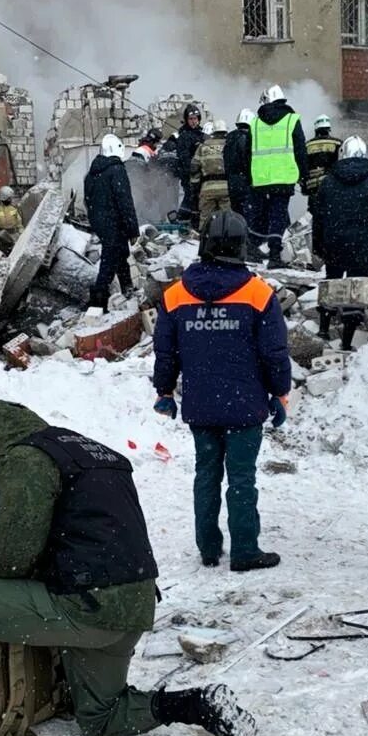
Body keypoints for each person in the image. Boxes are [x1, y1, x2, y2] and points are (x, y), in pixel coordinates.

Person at [0, 398, 257, 736]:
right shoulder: (96, 453)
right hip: (135, 604)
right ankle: (196, 704)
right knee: (102, 717)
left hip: (85, 604)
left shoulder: (25, 457)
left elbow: (15, 547)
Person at [152, 210, 291, 572]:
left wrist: (164, 391)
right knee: (242, 478)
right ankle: (245, 550)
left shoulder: (176, 295)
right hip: (245, 406)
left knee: (206, 475)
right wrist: (279, 392)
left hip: (202, 406)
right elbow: (273, 352)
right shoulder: (259, 293)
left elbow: (167, 352)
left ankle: (209, 548)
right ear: (242, 246)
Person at [311, 137, 368, 351]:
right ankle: (347, 341)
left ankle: (324, 328)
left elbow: (318, 216)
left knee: (332, 283)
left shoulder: (328, 181)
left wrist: (318, 245)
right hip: (361, 244)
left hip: (334, 242)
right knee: (355, 290)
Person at [247, 84, 308, 269]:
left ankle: (252, 250)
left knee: (258, 213)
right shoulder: (291, 119)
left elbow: (247, 153)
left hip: (260, 178)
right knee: (278, 215)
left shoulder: (255, 123)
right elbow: (300, 149)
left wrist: (250, 176)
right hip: (284, 178)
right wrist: (304, 175)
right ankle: (274, 255)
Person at [84, 134, 140, 311]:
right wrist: (133, 230)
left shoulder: (91, 174)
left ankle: (128, 290)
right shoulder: (116, 170)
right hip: (115, 224)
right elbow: (125, 200)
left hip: (101, 224)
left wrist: (97, 222)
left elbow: (87, 201)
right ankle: (97, 303)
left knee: (120, 255)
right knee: (109, 262)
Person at [224, 109, 255, 258]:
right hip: (244, 182)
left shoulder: (229, 139)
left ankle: (235, 245)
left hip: (232, 182)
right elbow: (247, 161)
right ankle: (247, 246)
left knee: (236, 214)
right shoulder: (246, 138)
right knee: (247, 215)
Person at [191, 119, 231, 231]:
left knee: (205, 218)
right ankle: (226, 239)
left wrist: (195, 185)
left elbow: (194, 167)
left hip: (207, 188)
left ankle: (204, 238)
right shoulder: (229, 144)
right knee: (227, 217)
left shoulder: (203, 146)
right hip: (226, 187)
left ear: (213, 132)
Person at [175, 104, 207, 227]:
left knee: (198, 198)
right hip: (188, 174)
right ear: (186, 120)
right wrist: (192, 170)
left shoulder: (202, 134)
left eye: (195, 119)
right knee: (190, 196)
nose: (194, 122)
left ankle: (195, 221)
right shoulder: (184, 135)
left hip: (202, 174)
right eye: (191, 119)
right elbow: (184, 157)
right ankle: (182, 219)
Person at [303, 115, 342, 201]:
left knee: (315, 210)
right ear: (329, 129)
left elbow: (303, 166)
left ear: (316, 129)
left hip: (313, 187)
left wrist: (304, 184)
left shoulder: (307, 145)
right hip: (332, 186)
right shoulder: (338, 143)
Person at [0, 185, 24, 253]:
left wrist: (22, 234)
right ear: (3, 198)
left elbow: (19, 223)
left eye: (10, 198)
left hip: (14, 235)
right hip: (1, 236)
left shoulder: (13, 208)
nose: (10, 200)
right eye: (9, 198)